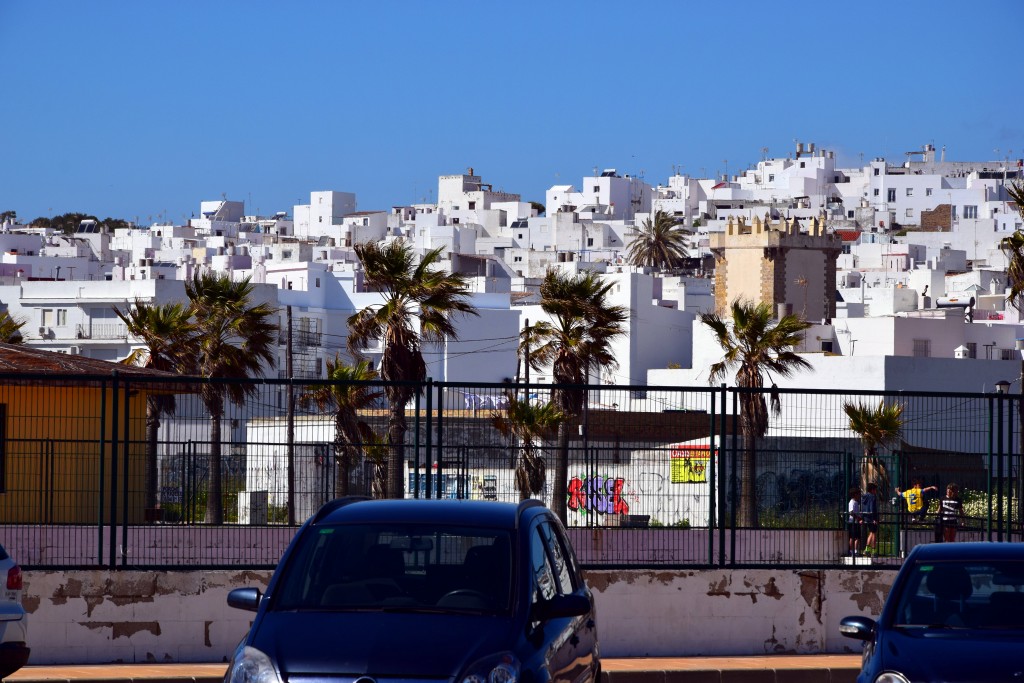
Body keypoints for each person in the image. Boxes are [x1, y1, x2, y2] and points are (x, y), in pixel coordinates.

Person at [860, 482, 879, 555]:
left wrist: (862, 517)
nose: (876, 491)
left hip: (865, 517)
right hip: (871, 517)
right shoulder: (872, 497)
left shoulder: (864, 496)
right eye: (875, 490)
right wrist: (874, 518)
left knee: (871, 532)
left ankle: (867, 549)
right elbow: (872, 508)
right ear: (872, 490)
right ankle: (874, 550)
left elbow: (862, 507)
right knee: (874, 533)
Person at [846, 486, 862, 557]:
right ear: (855, 494)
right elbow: (851, 512)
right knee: (852, 537)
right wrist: (858, 518)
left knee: (857, 537)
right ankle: (851, 551)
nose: (859, 495)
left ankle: (855, 551)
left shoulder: (856, 502)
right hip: (853, 522)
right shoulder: (852, 502)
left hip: (856, 522)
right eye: (858, 494)